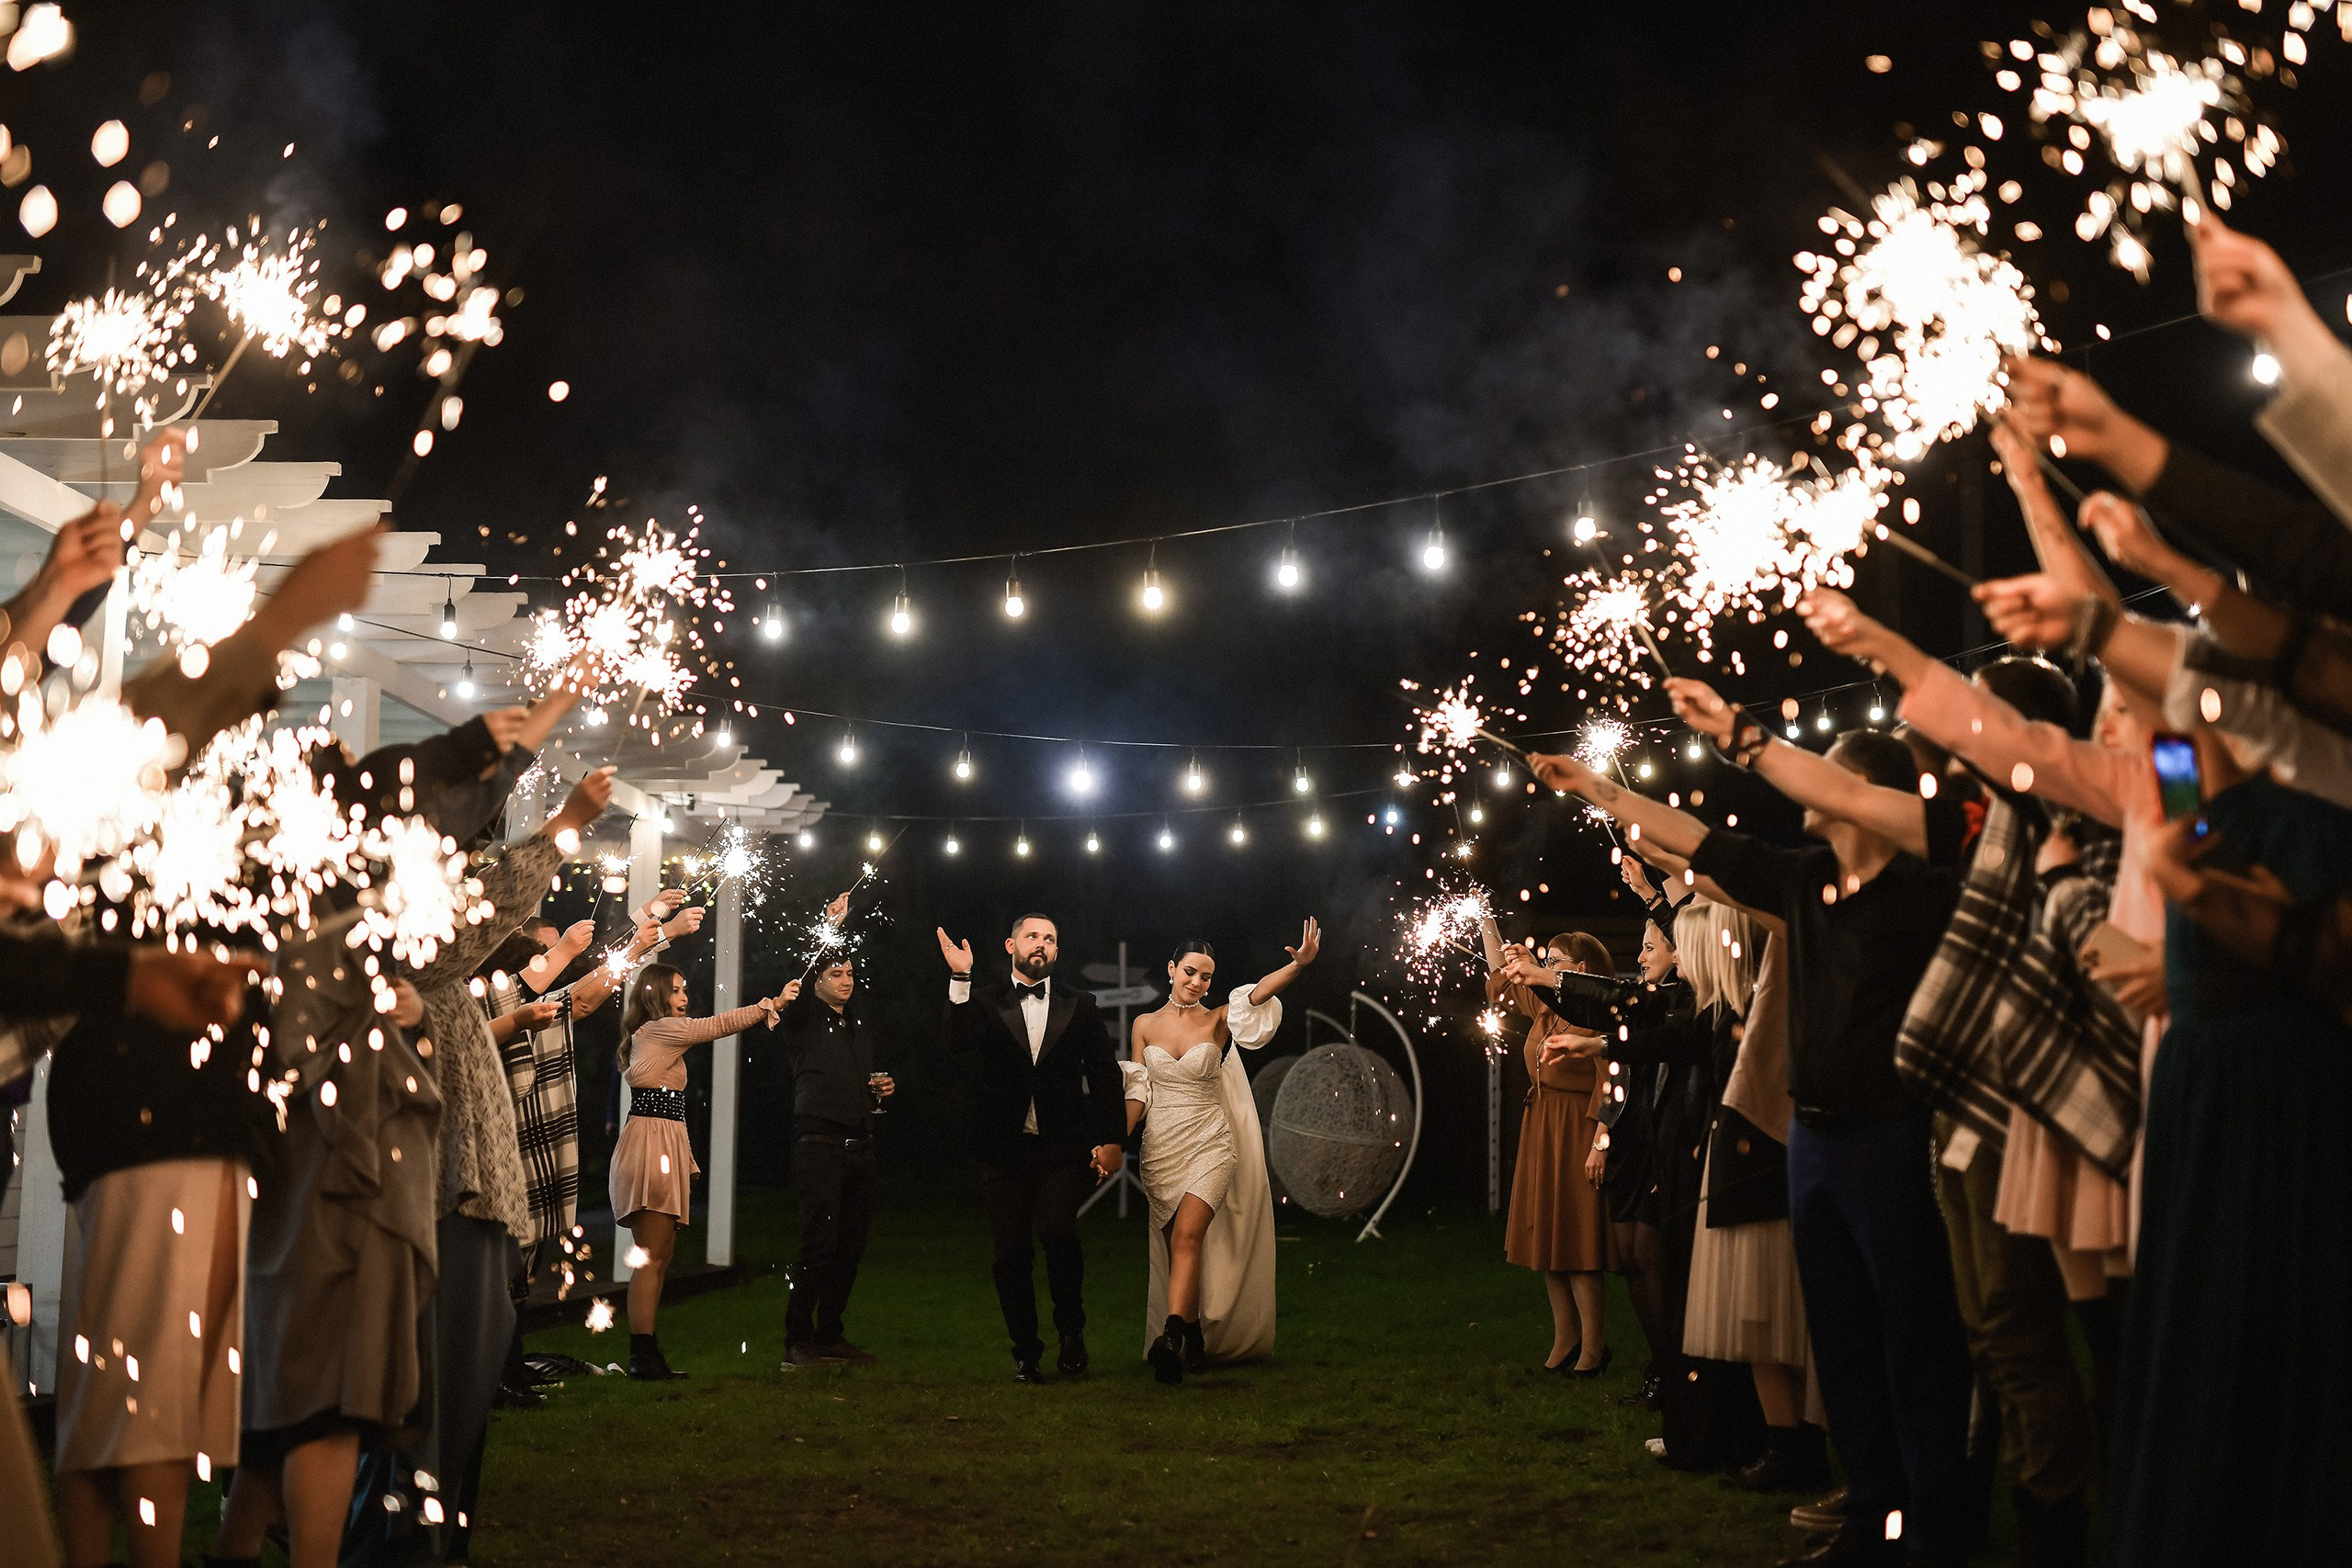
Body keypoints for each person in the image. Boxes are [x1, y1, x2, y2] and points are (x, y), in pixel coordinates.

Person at [1532, 739, 1973, 1568]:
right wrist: (1597, 789)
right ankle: (1872, 1517)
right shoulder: (1802, 880)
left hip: (1889, 1132)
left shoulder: (1929, 888)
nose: (1806, 784)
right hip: (1812, 1136)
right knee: (1840, 1335)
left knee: (1909, 1332)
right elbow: (1696, 842)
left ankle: (1940, 1524)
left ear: (1869, 794)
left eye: (1829, 769)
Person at [1116, 922, 1316, 1383]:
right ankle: (1193, 1335)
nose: (1196, 982)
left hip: (1210, 1141)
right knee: (1175, 1247)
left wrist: (1297, 966)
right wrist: (1113, 1141)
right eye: (1189, 972)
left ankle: (1170, 1339)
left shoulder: (1219, 1019)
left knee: (1188, 1236)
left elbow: (1260, 995)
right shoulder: (1144, 1025)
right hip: (1160, 1147)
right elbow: (1138, 1089)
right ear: (1171, 970)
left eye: (1206, 977)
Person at [935, 914, 1125, 1383]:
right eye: (1032, 936)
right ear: (1011, 945)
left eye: (1050, 939)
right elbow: (955, 1042)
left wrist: (1115, 1139)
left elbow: (1104, 1074)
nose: (1041, 944)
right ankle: (1025, 1349)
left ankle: (1071, 1331)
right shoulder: (982, 1003)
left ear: (1056, 953)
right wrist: (961, 976)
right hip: (1002, 1150)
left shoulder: (1080, 1005)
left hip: (1063, 1146)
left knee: (1058, 1233)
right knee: (1010, 1252)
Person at [611, 964, 800, 1378]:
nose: (684, 998)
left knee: (658, 1256)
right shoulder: (661, 1030)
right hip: (651, 1145)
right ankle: (642, 1357)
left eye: (685, 990)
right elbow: (716, 1025)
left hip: (658, 1140)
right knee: (651, 1257)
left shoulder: (655, 1034)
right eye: (676, 991)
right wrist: (772, 1004)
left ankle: (647, 1355)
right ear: (656, 996)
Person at [1482, 923, 1614, 1375]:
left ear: (1580, 969)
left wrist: (1600, 1143)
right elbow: (1500, 979)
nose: (1547, 967)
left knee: (1577, 1242)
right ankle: (1565, 1340)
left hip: (1578, 1128)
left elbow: (1611, 1081)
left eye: (1555, 961)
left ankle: (1594, 1348)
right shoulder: (1546, 1006)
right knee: (1548, 1242)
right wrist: (1488, 926)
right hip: (1542, 1123)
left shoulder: (1598, 1011)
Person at [780, 903, 895, 1369]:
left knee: (851, 1245)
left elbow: (857, 1076)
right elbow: (801, 969)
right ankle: (796, 1340)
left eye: (849, 972)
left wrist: (882, 1087)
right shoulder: (804, 1016)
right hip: (820, 1146)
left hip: (860, 1145)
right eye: (835, 971)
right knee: (819, 1243)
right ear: (818, 981)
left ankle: (830, 1333)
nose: (845, 979)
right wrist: (828, 926)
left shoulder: (857, 1025)